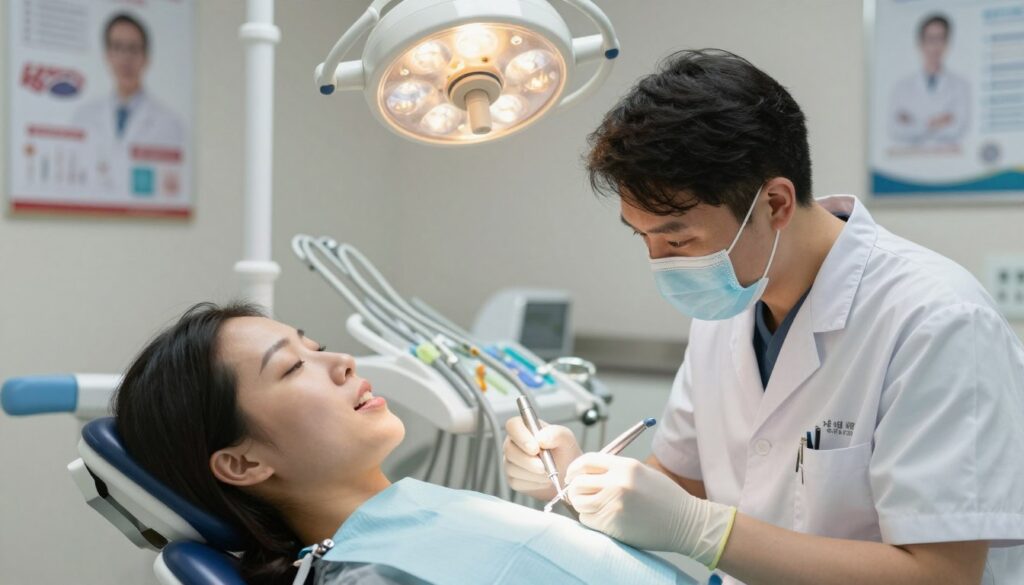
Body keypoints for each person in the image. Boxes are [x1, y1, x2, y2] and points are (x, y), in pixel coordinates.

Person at [503, 49, 1024, 584]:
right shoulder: (729, 303)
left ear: (775, 203)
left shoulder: (938, 321)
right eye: (644, 238)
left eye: (678, 240)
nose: (661, 264)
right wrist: (579, 485)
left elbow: (941, 574)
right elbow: (678, 483)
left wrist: (703, 531)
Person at [113, 302, 695, 585]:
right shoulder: (369, 574)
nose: (342, 361)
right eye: (291, 368)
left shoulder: (412, 511)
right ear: (243, 462)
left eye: (316, 347)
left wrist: (582, 509)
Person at [73, 13, 185, 196]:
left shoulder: (170, 123)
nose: (126, 58)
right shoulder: (83, 116)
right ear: (107, 55)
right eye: (118, 47)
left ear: (146, 58)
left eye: (133, 49)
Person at [889, 14, 970, 147]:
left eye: (940, 39)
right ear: (920, 43)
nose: (935, 46)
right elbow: (895, 129)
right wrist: (937, 122)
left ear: (947, 44)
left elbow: (956, 129)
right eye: (930, 39)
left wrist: (914, 122)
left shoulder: (961, 85)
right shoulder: (901, 87)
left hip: (947, 156)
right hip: (910, 156)